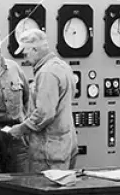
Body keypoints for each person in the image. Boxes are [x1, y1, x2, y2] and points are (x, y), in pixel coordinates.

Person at [6, 28, 78, 173]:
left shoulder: (46, 73)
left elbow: (44, 114)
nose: (25, 59)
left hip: (48, 151)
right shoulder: (62, 66)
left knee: (44, 191)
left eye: (26, 53)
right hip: (64, 144)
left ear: (35, 50)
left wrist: (21, 129)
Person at [0, 30, 31, 174]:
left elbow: (27, 98)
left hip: (16, 134)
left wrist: (24, 125)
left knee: (21, 180)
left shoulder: (14, 68)